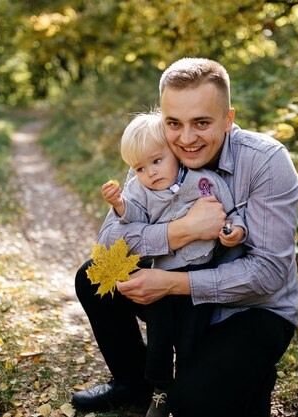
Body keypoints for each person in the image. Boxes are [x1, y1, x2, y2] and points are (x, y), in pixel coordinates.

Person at [72, 57, 298, 417]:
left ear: (228, 120)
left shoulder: (266, 162)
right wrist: (181, 231)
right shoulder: (156, 153)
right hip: (182, 304)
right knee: (94, 275)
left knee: (190, 403)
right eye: (174, 123)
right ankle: (133, 384)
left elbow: (268, 276)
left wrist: (170, 283)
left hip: (251, 310)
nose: (186, 138)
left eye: (201, 123)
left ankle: (245, 374)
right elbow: (108, 244)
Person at [101, 111, 246, 417]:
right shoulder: (139, 190)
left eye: (156, 161)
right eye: (140, 168)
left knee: (192, 336)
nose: (151, 173)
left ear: (174, 152)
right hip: (161, 275)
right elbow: (129, 224)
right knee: (160, 336)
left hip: (199, 273)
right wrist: (120, 205)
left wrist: (234, 230)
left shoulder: (204, 182)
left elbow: (230, 212)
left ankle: (188, 391)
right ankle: (160, 390)